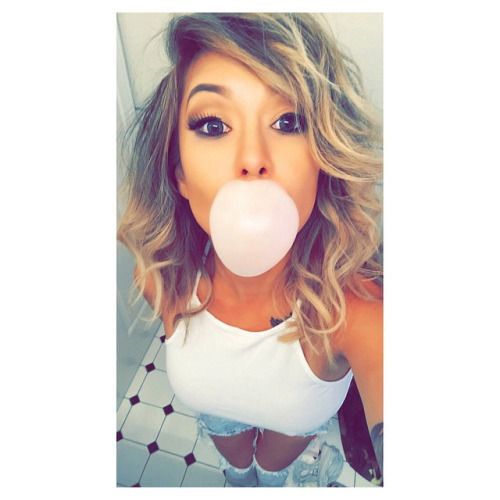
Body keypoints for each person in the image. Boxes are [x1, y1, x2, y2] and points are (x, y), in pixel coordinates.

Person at [118, 13, 383, 487]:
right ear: (179, 174)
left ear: (323, 161)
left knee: (271, 474)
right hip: (218, 420)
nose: (253, 159)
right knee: (239, 471)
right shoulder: (160, 278)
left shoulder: (357, 310)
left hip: (291, 432)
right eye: (213, 125)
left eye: (288, 121)